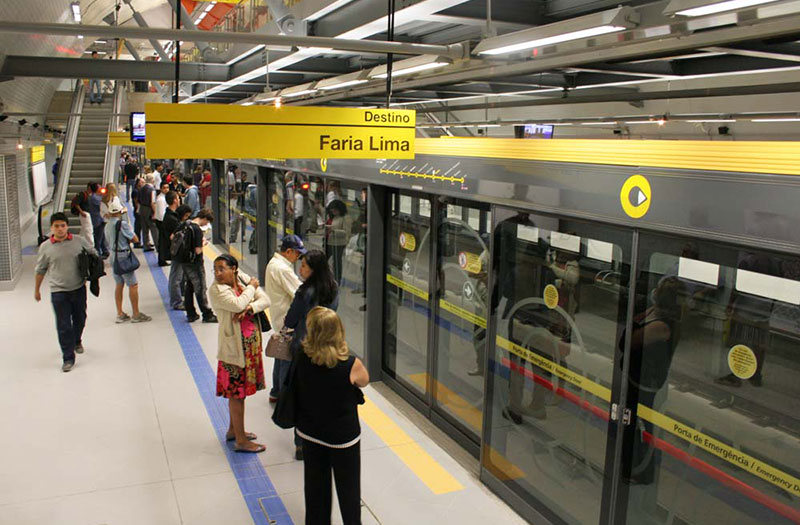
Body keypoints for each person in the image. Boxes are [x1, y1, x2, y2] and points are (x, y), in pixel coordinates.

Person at [295, 307, 369, 525]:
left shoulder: (302, 357)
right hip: (343, 439)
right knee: (349, 491)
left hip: (310, 433)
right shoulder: (350, 364)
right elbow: (364, 381)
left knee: (315, 488)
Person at [209, 254, 269, 453]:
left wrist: (251, 306)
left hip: (249, 349)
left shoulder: (242, 279)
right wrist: (251, 289)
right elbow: (237, 305)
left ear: (233, 268)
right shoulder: (217, 290)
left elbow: (265, 299)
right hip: (234, 352)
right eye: (215, 269)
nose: (217, 273)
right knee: (237, 395)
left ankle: (233, 431)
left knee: (240, 393)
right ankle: (241, 441)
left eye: (222, 268)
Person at [284, 249, 339, 460]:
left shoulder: (304, 291)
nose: (301, 268)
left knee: (302, 396)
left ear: (314, 269)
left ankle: (301, 444)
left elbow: (290, 320)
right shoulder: (333, 288)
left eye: (305, 265)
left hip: (304, 348)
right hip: (327, 347)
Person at [34, 212, 97, 372]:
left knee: (80, 318)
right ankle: (68, 357)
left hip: (78, 288)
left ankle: (77, 340)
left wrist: (94, 267)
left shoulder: (79, 241)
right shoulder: (46, 247)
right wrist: (37, 290)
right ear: (52, 228)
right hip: (59, 291)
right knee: (63, 325)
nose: (60, 229)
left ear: (67, 226)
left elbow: (93, 254)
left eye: (63, 225)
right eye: (57, 226)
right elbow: (40, 269)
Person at [264, 235, 305, 403]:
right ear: (288, 251)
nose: (298, 258)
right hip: (286, 319)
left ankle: (275, 391)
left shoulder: (274, 264)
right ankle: (284, 397)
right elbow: (299, 292)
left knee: (280, 354)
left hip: (278, 316)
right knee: (287, 359)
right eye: (297, 254)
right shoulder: (282, 269)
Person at [105, 201, 152, 324]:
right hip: (123, 255)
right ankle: (136, 314)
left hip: (113, 256)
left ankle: (120, 313)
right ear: (120, 212)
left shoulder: (107, 225)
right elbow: (135, 239)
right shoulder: (122, 224)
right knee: (133, 284)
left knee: (119, 284)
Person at [176, 208, 218, 323]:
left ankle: (191, 313)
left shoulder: (186, 224)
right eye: (207, 222)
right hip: (195, 263)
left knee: (189, 287)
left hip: (184, 261)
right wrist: (203, 243)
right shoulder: (197, 230)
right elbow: (198, 251)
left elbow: (172, 237)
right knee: (200, 288)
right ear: (204, 218)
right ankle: (207, 314)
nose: (206, 224)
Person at [164, 202, 190, 310]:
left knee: (175, 276)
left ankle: (176, 298)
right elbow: (173, 237)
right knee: (176, 278)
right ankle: (176, 301)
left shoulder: (173, 219)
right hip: (178, 254)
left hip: (176, 253)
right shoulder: (178, 224)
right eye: (187, 216)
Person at [326, 200, 349, 284]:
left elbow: (347, 232)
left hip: (339, 243)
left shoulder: (345, 218)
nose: (333, 212)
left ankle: (337, 280)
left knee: (336, 262)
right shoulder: (333, 217)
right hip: (330, 241)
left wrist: (333, 230)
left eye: (335, 210)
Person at [88, 183, 109, 258]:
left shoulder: (97, 196)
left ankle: (105, 251)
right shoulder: (94, 197)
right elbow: (103, 205)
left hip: (100, 219)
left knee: (102, 236)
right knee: (98, 238)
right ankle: (98, 253)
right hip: (97, 220)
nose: (101, 188)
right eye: (99, 187)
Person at [138, 174, 158, 252]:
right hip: (149, 209)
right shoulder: (152, 190)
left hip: (142, 208)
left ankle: (146, 245)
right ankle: (158, 246)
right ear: (152, 180)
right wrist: (155, 213)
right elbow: (153, 202)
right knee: (154, 228)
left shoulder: (142, 188)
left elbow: (139, 200)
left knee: (144, 228)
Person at [154, 181, 170, 266]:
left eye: (167, 187)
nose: (166, 189)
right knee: (162, 242)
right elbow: (161, 214)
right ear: (161, 189)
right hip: (161, 222)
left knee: (163, 242)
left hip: (162, 222)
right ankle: (162, 260)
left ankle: (163, 258)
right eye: (164, 188)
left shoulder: (164, 198)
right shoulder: (161, 199)